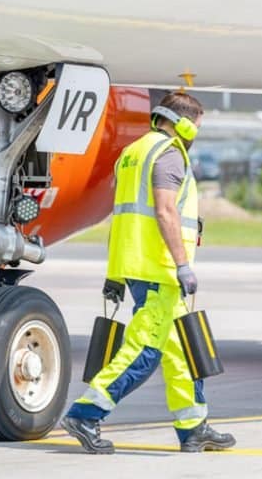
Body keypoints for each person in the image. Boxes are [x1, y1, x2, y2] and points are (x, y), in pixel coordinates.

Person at [60, 92, 236, 454]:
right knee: (144, 351)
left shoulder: (133, 153)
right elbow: (166, 211)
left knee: (181, 351)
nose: (195, 134)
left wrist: (115, 273)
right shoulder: (169, 154)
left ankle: (193, 427)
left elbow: (122, 217)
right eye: (196, 126)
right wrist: (182, 263)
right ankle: (86, 414)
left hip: (138, 265)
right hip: (158, 268)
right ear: (183, 122)